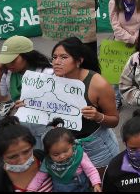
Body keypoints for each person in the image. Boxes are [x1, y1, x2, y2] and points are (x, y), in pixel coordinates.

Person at [50, 38, 120, 171]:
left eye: (64, 57)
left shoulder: (98, 84)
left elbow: (114, 120)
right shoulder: (51, 80)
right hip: (66, 148)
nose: (57, 62)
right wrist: (28, 105)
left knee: (100, 181)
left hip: (97, 148)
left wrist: (98, 116)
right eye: (54, 57)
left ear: (79, 61)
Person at [0, 36, 53, 147]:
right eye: (6, 61)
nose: (9, 64)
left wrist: (32, 104)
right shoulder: (8, 74)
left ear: (27, 56)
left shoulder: (47, 72)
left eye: (13, 60)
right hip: (22, 126)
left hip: (44, 126)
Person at [34, 119, 101, 192]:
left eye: (65, 151)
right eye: (56, 154)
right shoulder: (47, 162)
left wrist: (96, 183)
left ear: (72, 144)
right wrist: (31, 189)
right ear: (48, 153)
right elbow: (40, 176)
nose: (62, 156)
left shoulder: (79, 155)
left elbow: (91, 170)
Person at [0, 116, 52, 191]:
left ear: (32, 146)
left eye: (26, 152)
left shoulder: (46, 159)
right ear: (1, 156)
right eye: (12, 157)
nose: (22, 161)